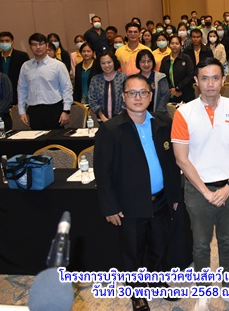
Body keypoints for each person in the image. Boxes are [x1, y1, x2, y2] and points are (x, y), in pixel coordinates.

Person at [94, 74, 181, 311]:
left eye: (143, 92)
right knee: (132, 251)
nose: (138, 97)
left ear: (151, 96)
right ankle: (137, 292)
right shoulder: (111, 129)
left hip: (160, 200)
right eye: (132, 93)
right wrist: (110, 207)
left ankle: (158, 282)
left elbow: (172, 163)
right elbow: (102, 172)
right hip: (129, 204)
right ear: (123, 97)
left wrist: (174, 195)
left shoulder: (162, 123)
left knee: (159, 246)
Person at [171, 58, 229, 311]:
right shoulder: (184, 113)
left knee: (227, 240)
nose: (210, 84)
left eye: (215, 78)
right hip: (198, 190)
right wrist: (206, 192)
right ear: (196, 81)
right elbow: (181, 159)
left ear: (223, 80)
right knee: (201, 244)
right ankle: (203, 292)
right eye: (204, 78)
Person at [17, 33, 73, 130]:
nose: (38, 47)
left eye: (41, 44)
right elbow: (22, 89)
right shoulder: (26, 66)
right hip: (34, 110)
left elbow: (67, 88)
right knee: (37, 138)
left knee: (56, 138)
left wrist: (66, 111)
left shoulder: (58, 65)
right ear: (30, 47)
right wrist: (21, 111)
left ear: (47, 45)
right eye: (34, 44)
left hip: (54, 109)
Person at [0, 31, 30, 105]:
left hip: (18, 93)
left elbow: (28, 75)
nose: (4, 43)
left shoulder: (22, 56)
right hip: (1, 94)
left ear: (12, 42)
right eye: (2, 41)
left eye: (7, 41)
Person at [88, 52, 127, 122]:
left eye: (109, 62)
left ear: (114, 62)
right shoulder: (95, 79)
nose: (106, 65)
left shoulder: (123, 78)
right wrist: (102, 117)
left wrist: (119, 116)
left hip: (122, 120)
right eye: (103, 63)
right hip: (101, 121)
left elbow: (128, 98)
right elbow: (92, 100)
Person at [159, 35, 195, 104]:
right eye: (172, 43)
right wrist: (172, 90)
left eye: (177, 43)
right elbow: (162, 76)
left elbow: (190, 75)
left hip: (185, 93)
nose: (174, 45)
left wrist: (178, 88)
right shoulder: (165, 60)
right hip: (170, 93)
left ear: (181, 45)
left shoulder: (186, 58)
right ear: (169, 45)